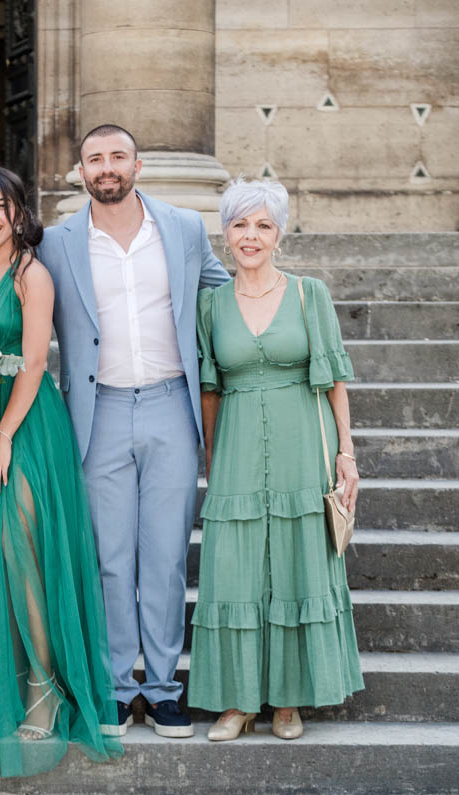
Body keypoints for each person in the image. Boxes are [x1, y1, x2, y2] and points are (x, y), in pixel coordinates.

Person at [36, 125, 231, 737]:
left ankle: (167, 688)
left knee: (168, 558)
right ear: (80, 172)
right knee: (111, 558)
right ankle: (121, 688)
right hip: (98, 412)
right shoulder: (57, 243)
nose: (107, 168)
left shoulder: (183, 228)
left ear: (138, 165)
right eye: (95, 159)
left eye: (117, 156)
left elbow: (225, 295)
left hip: (172, 403)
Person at [0, 166, 123, 777]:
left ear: (20, 213)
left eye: (1, 205)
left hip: (25, 425)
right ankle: (17, 672)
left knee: (22, 545)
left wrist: (2, 437)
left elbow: (30, 364)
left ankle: (47, 687)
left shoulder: (33, 274)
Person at [189, 177, 363, 741]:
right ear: (225, 232)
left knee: (296, 563)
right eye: (240, 224)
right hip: (236, 445)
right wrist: (214, 461)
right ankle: (236, 701)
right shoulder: (210, 304)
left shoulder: (311, 294)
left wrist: (347, 455)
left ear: (280, 233)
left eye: (263, 225)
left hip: (300, 447)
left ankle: (288, 700)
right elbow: (209, 389)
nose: (251, 235)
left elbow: (335, 380)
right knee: (234, 571)